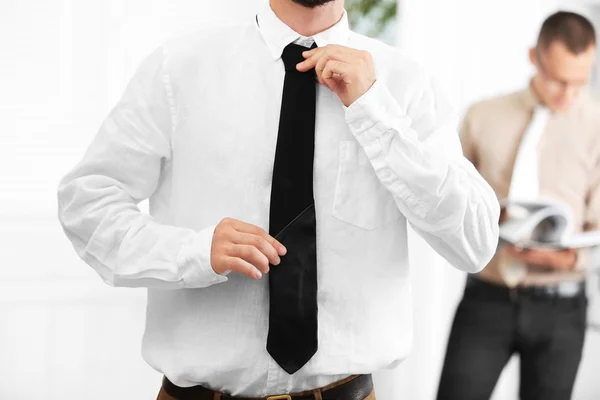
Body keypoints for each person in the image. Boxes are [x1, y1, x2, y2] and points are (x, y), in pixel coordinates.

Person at [57, 0, 499, 399]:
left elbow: (474, 240)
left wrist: (374, 111)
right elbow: (88, 202)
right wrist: (190, 252)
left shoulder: (403, 84)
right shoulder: (180, 68)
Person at [437, 11, 599, 400]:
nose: (569, 94)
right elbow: (446, 202)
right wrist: (486, 217)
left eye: (580, 82)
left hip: (561, 309)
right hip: (486, 299)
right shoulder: (482, 116)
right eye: (560, 80)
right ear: (534, 57)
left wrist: (569, 260)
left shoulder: (597, 126)